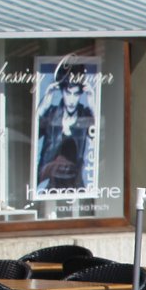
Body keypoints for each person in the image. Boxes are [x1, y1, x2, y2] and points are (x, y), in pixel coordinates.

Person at [35, 61, 96, 195]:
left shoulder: (84, 115)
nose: (72, 100)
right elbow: (33, 135)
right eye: (68, 93)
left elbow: (100, 138)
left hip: (74, 184)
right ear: (62, 92)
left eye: (76, 94)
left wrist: (93, 103)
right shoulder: (51, 114)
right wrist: (44, 105)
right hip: (48, 181)